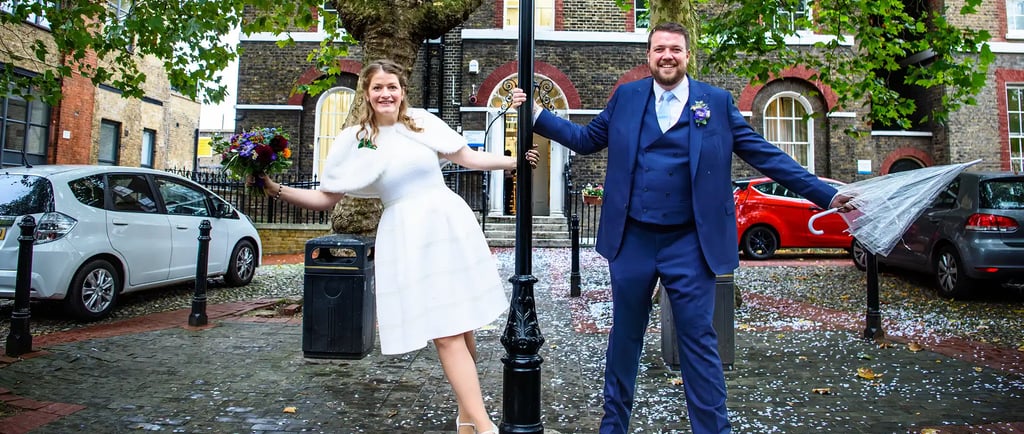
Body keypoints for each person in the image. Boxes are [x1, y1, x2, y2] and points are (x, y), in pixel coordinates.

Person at [509, 22, 851, 434]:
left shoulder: (716, 102)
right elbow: (586, 139)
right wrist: (536, 115)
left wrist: (827, 195)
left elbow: (766, 156)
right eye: (659, 49)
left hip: (690, 242)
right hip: (632, 239)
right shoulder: (627, 97)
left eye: (675, 49)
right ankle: (613, 428)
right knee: (624, 338)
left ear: (687, 55)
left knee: (699, 341)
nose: (667, 56)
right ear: (649, 56)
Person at [259, 59, 539, 434]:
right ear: (366, 93)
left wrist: (513, 161)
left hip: (447, 223)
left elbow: (465, 156)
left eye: (392, 86)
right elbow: (326, 198)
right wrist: (276, 189)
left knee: (461, 325)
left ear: (402, 90)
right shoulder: (355, 140)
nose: (385, 94)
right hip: (407, 234)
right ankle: (485, 425)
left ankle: (467, 418)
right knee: (446, 331)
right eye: (377, 87)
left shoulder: (421, 122)